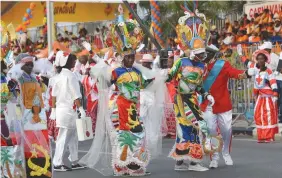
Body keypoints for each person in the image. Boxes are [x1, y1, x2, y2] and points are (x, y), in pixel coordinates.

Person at [79, 5, 162, 176]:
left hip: (134, 108)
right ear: (121, 58)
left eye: (132, 56)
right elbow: (105, 76)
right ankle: (121, 166)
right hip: (118, 108)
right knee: (120, 137)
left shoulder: (138, 72)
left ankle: (134, 164)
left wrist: (162, 75)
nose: (131, 59)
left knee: (138, 135)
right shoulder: (116, 71)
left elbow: (146, 84)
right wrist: (93, 53)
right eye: (128, 57)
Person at [167, 8, 215, 172]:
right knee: (193, 126)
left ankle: (182, 160)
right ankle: (192, 162)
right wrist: (158, 78)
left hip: (193, 99)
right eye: (199, 53)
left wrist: (206, 94)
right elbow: (170, 77)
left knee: (192, 127)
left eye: (203, 53)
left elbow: (199, 86)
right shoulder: (181, 62)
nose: (202, 56)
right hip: (181, 100)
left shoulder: (202, 66)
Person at [201, 44, 249, 169]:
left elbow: (235, 73)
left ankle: (226, 153)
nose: (203, 55)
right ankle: (214, 157)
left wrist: (247, 73)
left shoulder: (222, 65)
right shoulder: (199, 66)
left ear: (213, 54)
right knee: (211, 131)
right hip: (208, 104)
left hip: (222, 103)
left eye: (207, 53)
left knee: (226, 130)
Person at [50, 51, 87, 171]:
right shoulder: (70, 76)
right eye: (72, 59)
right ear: (66, 62)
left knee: (72, 136)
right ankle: (57, 162)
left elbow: (53, 95)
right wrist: (81, 109)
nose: (74, 61)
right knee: (64, 136)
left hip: (62, 110)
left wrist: (54, 110)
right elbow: (75, 95)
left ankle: (74, 160)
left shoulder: (57, 77)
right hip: (69, 110)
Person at [239, 48, 279, 143]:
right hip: (260, 98)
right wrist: (241, 54)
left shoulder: (269, 71)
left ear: (265, 60)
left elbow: (273, 83)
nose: (260, 60)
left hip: (268, 98)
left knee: (268, 116)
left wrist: (275, 94)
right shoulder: (255, 69)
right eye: (259, 59)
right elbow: (247, 62)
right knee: (258, 116)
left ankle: (269, 136)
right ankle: (261, 136)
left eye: (262, 59)